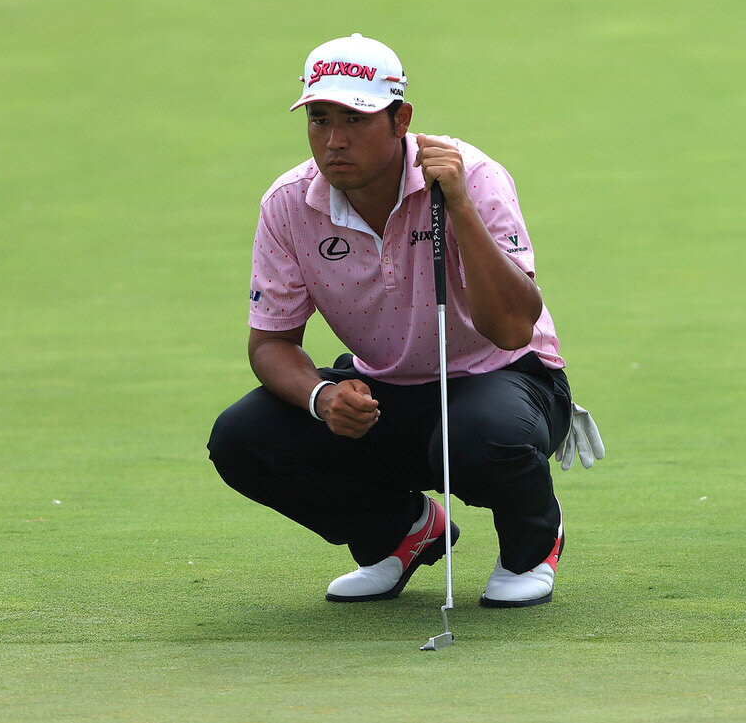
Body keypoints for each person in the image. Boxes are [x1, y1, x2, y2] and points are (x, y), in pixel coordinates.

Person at [208, 33, 601, 606]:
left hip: (501, 378)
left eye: (356, 120)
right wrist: (322, 396)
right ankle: (400, 533)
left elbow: (514, 329)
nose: (334, 141)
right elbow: (270, 343)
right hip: (385, 391)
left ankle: (531, 542)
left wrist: (459, 207)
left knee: (481, 437)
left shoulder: (474, 178)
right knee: (243, 437)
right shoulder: (289, 204)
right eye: (319, 120)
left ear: (400, 120)